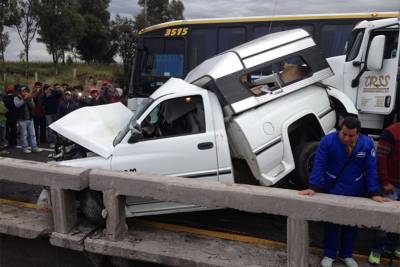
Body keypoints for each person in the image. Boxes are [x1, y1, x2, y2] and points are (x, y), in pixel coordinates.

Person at [299, 116, 388, 267]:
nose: (346, 138)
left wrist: (374, 192)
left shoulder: (367, 144)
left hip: (355, 189)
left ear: (358, 133)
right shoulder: (328, 141)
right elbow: (319, 163)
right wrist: (313, 186)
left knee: (351, 224)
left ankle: (347, 254)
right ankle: (329, 254)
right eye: (343, 134)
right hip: (333, 188)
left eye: (351, 135)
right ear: (340, 130)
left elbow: (371, 169)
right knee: (332, 223)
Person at [368, 122, 400, 265]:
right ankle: (377, 250)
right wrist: (385, 181)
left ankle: (394, 247)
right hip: (391, 185)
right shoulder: (391, 133)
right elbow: (380, 159)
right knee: (385, 220)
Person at [14, 86, 42, 153]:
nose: (25, 92)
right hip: (22, 119)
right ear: (20, 92)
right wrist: (24, 99)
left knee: (33, 134)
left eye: (26, 91)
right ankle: (25, 148)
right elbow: (17, 105)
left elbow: (33, 106)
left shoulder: (29, 98)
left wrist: (29, 100)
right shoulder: (16, 97)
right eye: (23, 91)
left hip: (30, 118)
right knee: (24, 135)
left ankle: (34, 147)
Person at [42, 84, 62, 148]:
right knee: (50, 128)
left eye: (49, 88)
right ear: (44, 90)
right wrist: (47, 96)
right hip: (48, 114)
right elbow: (43, 103)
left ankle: (58, 141)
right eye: (46, 89)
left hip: (56, 113)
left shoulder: (54, 93)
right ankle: (51, 142)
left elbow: (60, 93)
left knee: (56, 128)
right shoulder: (44, 95)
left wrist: (54, 90)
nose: (48, 90)